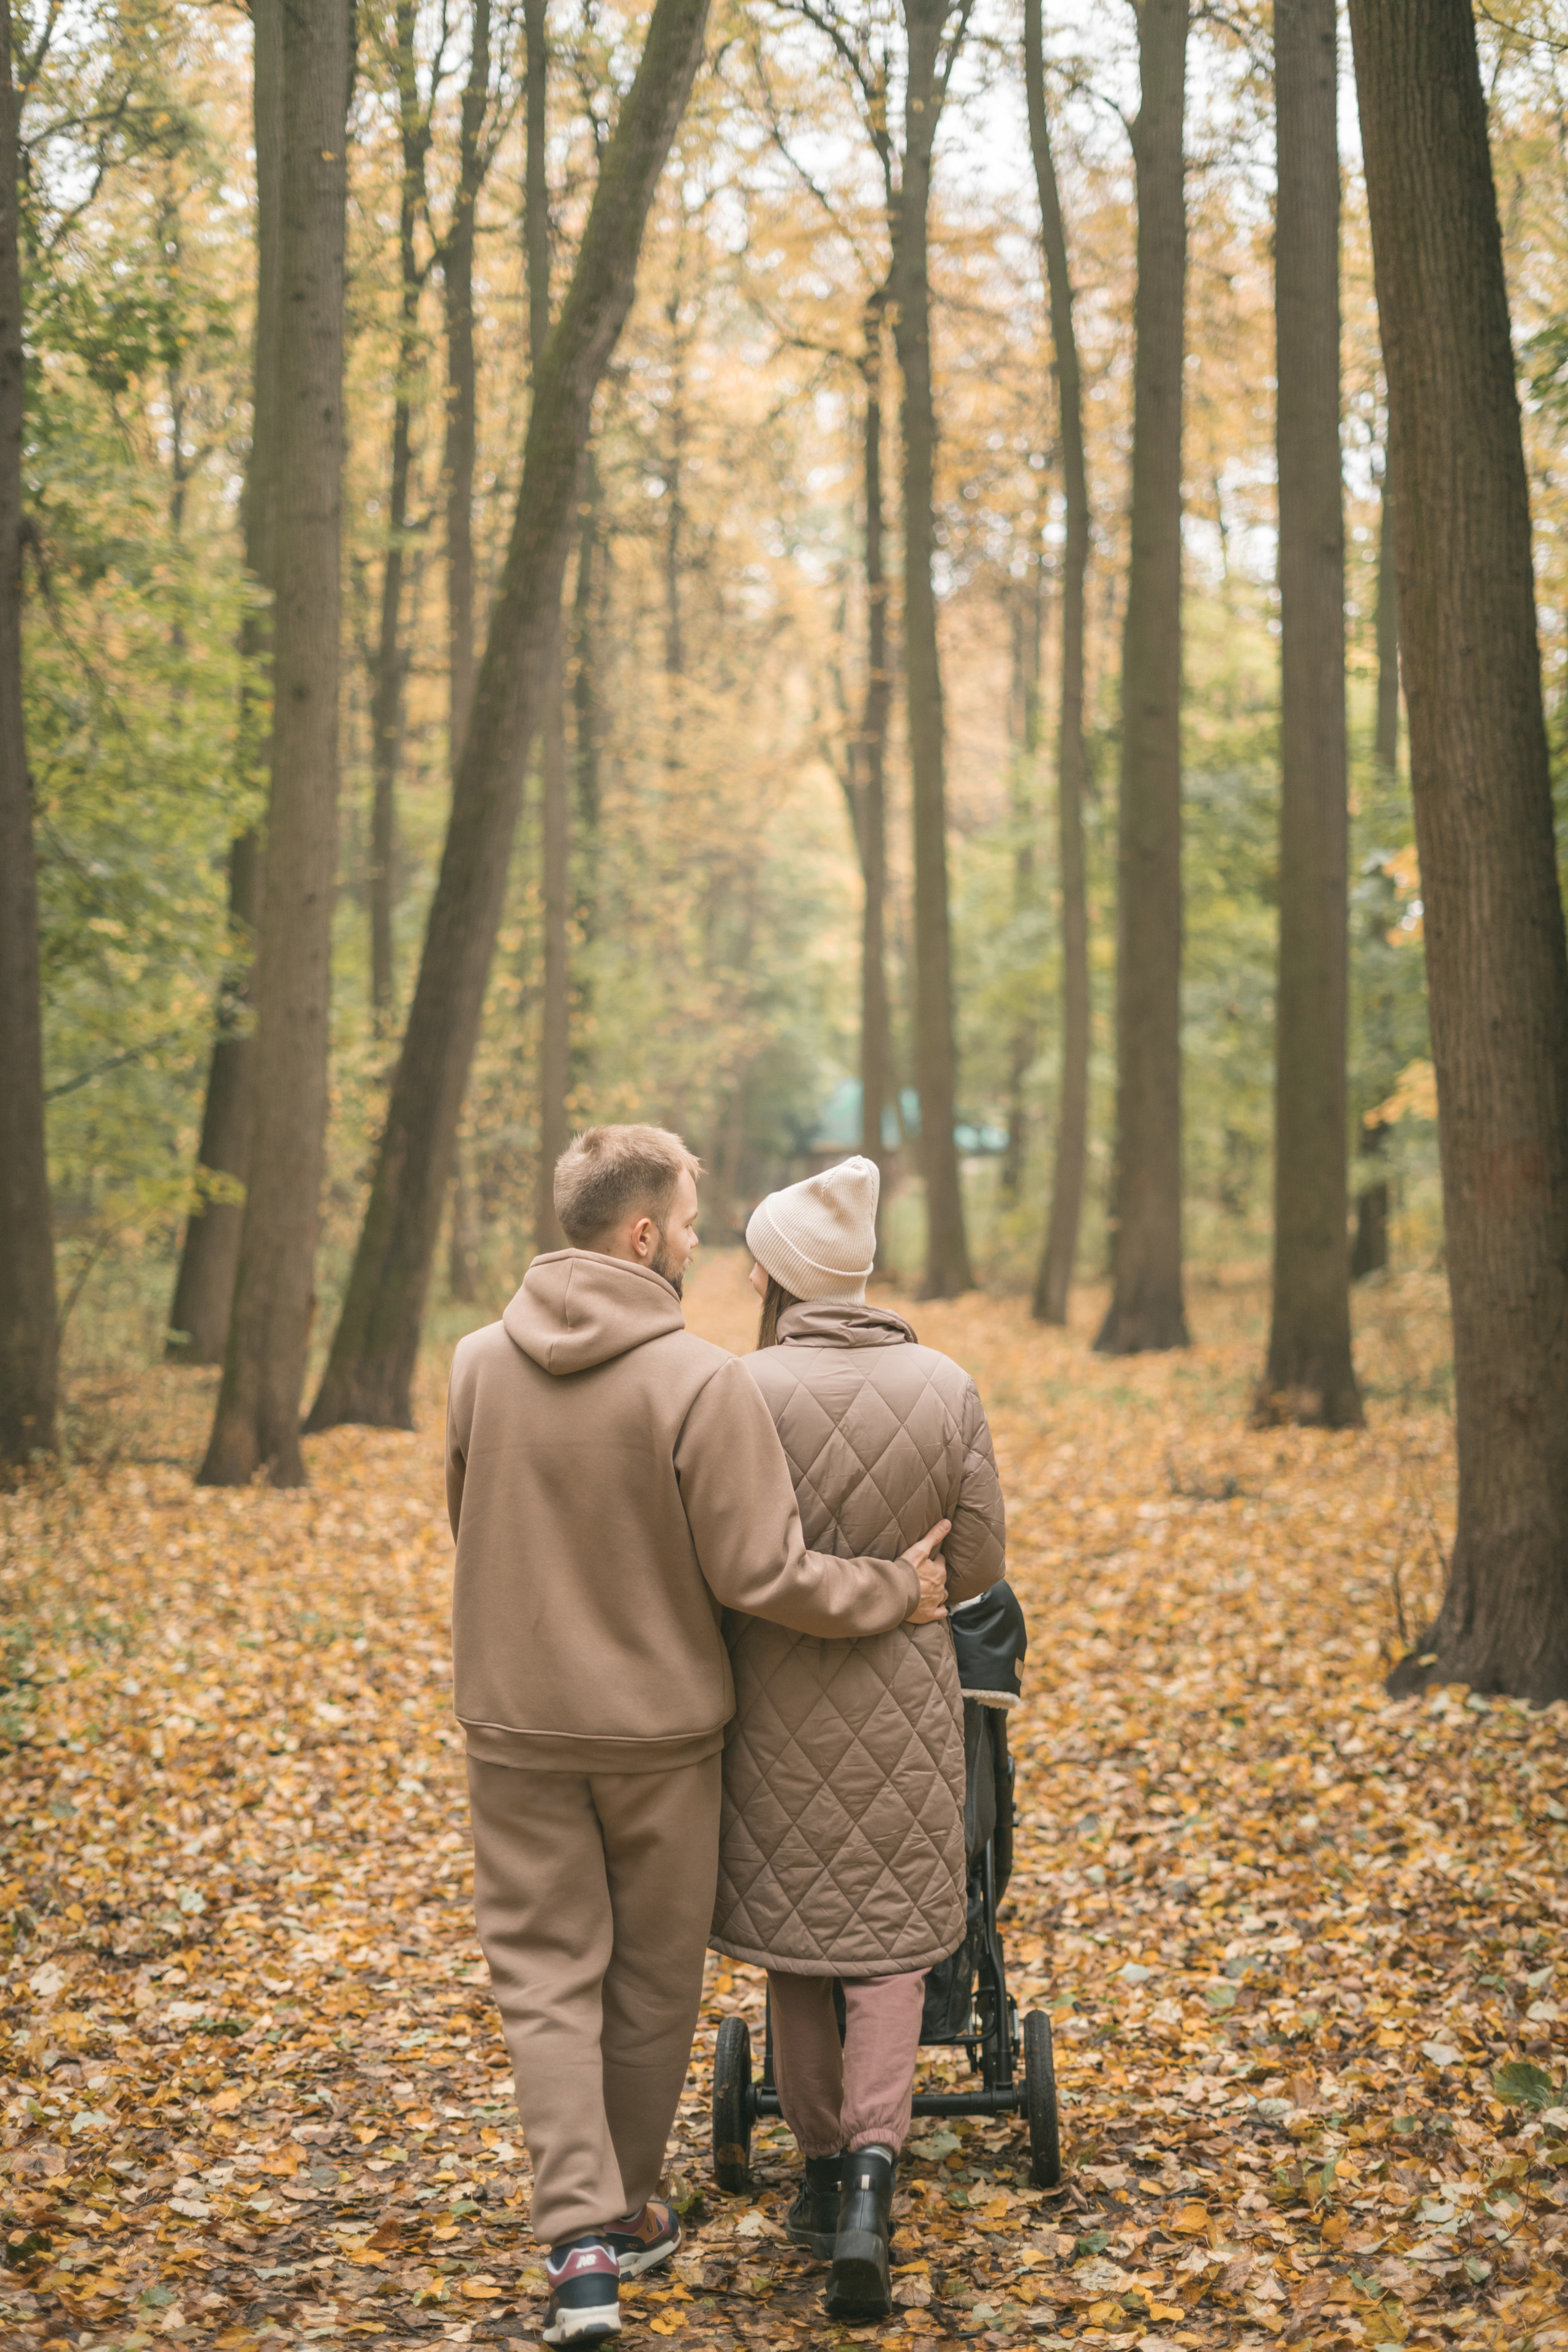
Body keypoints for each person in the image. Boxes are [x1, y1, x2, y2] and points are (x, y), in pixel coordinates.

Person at [445, 1125, 951, 2348]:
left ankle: (581, 2245)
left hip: (515, 1727)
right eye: (682, 1219)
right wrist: (895, 1589)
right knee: (648, 1982)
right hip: (661, 1738)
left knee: (542, 1979)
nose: (690, 1238)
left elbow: (466, 1522)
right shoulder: (698, 1382)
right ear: (637, 1235)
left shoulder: (472, 1365)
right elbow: (762, 1575)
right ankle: (621, 2212)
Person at [710, 1154, 1006, 2322]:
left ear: (782, 1273)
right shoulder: (947, 1381)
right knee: (892, 1944)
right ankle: (880, 2176)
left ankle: (823, 2173)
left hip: (776, 1703)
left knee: (801, 1939)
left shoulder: (740, 1388)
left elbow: (720, 1560)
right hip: (906, 1700)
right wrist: (915, 1576)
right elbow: (978, 1563)